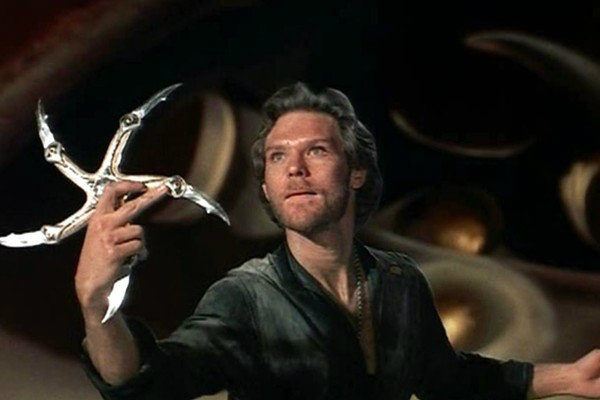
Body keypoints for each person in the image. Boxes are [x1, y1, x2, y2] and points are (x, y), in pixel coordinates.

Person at [77, 82, 600, 400]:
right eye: (278, 157)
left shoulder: (397, 280)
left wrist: (568, 378)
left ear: (354, 172)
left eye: (316, 151)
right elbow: (149, 385)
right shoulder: (245, 298)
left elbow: (450, 380)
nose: (295, 169)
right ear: (267, 189)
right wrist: (98, 305)